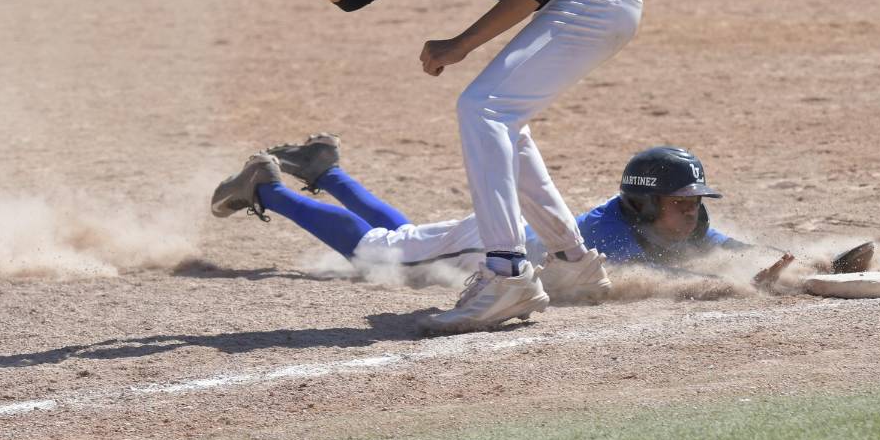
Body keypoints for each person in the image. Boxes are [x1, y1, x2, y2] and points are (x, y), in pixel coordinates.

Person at [224, 0, 642, 333]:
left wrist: (459, 44)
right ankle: (572, 265)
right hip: (575, 3)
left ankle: (507, 275)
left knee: (483, 108)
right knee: (503, 121)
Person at [210, 137, 845, 319]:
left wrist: (801, 263)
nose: (692, 211)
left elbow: (728, 249)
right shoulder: (612, 235)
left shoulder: (675, 223)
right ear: (646, 205)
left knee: (410, 242)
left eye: (695, 201)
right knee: (383, 250)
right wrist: (743, 286)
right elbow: (662, 279)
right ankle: (265, 185)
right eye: (680, 202)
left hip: (497, 234)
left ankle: (328, 173)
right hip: (501, 240)